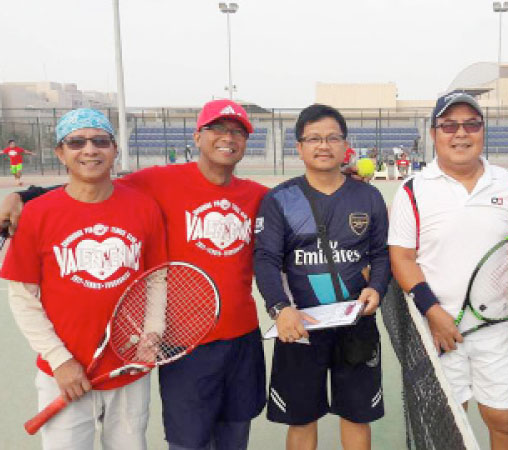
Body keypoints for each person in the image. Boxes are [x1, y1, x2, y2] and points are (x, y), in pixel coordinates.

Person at [1, 99, 268, 450]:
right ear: (197, 136)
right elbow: (89, 184)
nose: (227, 137)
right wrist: (24, 195)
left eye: (237, 131)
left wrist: (346, 182)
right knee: (190, 443)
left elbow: (302, 202)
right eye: (217, 129)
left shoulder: (258, 196)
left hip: (222, 343)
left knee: (235, 435)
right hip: (182, 345)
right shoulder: (156, 182)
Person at [0, 108, 168, 450]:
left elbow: (157, 279)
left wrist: (152, 332)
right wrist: (60, 360)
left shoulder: (144, 207)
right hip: (62, 374)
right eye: (76, 142)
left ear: (115, 148)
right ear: (61, 153)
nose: (89, 150)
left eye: (100, 141)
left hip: (127, 368)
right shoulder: (35, 214)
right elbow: (22, 296)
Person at [389, 91, 508, 450]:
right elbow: (402, 258)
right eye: (449, 125)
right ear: (434, 134)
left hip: (494, 327)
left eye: (471, 124)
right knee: (449, 425)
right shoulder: (413, 190)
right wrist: (433, 311)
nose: (461, 133)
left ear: (482, 131)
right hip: (437, 331)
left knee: (503, 420)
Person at [254, 104, 391, 450]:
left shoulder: (368, 196)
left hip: (356, 325)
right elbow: (266, 259)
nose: (324, 145)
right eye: (313, 138)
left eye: (332, 137)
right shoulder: (280, 199)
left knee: (357, 418)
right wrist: (279, 308)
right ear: (299, 147)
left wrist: (376, 287)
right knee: (301, 420)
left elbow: (380, 254)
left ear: (345, 145)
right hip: (299, 326)